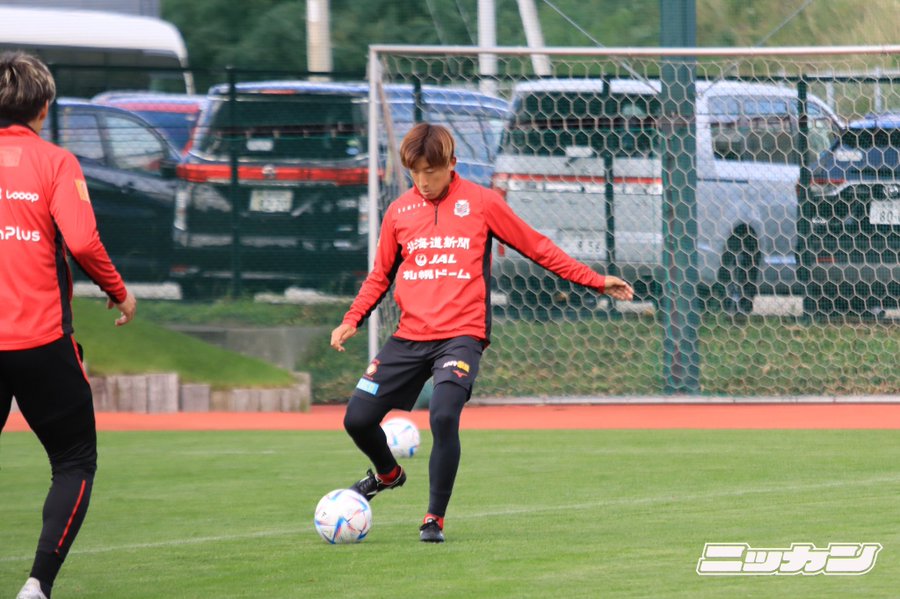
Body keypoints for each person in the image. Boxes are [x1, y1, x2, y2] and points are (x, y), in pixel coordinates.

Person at [330, 122, 633, 543]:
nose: (423, 181)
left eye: (431, 171)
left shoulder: (482, 203)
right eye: (415, 172)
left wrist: (595, 280)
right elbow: (380, 275)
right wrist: (352, 318)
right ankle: (388, 474)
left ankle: (433, 518)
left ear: (452, 164)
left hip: (461, 335)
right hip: (410, 336)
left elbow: (538, 247)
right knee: (357, 419)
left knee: (443, 415)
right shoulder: (399, 211)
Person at [0, 52, 137, 599]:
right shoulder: (56, 162)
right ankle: (37, 585)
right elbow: (81, 241)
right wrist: (119, 292)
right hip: (40, 341)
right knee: (74, 460)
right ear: (44, 107)